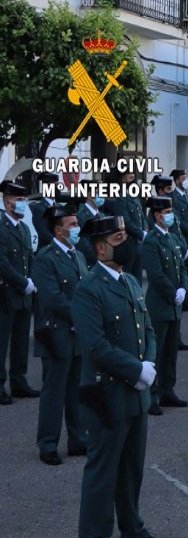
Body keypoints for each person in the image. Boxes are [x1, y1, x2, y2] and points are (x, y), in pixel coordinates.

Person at [73, 215, 170, 538]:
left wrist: (150, 362)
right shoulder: (89, 288)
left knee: (131, 468)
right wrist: (135, 370)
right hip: (107, 393)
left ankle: (132, 532)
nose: (126, 243)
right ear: (100, 247)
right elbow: (95, 346)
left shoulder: (129, 280)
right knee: (103, 472)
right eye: (118, 237)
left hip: (135, 392)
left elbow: (147, 327)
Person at [32, 203, 87, 464]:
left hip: (77, 333)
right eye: (72, 225)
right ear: (58, 230)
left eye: (76, 224)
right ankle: (48, 444)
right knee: (54, 391)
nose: (76, 229)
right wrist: (79, 316)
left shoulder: (77, 255)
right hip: (56, 332)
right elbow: (52, 298)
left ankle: (77, 439)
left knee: (77, 389)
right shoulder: (46, 258)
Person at [139, 195, 188, 416]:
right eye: (166, 212)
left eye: (170, 212)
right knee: (155, 352)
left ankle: (168, 389)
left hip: (175, 305)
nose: (170, 215)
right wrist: (172, 293)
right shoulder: (151, 241)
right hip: (160, 304)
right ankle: (151, 395)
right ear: (157, 216)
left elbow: (182, 268)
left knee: (170, 352)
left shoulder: (174, 239)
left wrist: (183, 289)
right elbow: (156, 275)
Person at [0, 180, 39, 404]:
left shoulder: (23, 228)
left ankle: (19, 380)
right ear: (7, 203)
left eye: (24, 200)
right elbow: (3, 263)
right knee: (3, 340)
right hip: (6, 292)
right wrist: (22, 283)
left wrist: (32, 279)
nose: (23, 204)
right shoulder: (1, 227)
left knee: (21, 338)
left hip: (24, 292)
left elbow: (29, 257)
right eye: (19, 200)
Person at [169, 168, 188, 312]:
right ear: (176, 181)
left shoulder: (186, 196)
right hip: (180, 238)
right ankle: (179, 298)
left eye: (186, 177)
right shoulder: (173, 197)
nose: (186, 180)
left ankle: (187, 299)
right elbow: (178, 220)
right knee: (180, 270)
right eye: (183, 178)